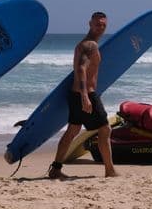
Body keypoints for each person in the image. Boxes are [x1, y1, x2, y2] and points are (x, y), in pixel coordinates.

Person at [48, 11, 118, 179]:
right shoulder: (89, 46)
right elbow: (81, 69)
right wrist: (85, 96)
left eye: (103, 25)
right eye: (97, 24)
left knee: (73, 130)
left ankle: (56, 168)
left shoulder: (85, 44)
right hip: (86, 94)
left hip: (75, 94)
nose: (100, 28)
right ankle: (110, 170)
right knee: (105, 129)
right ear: (90, 24)